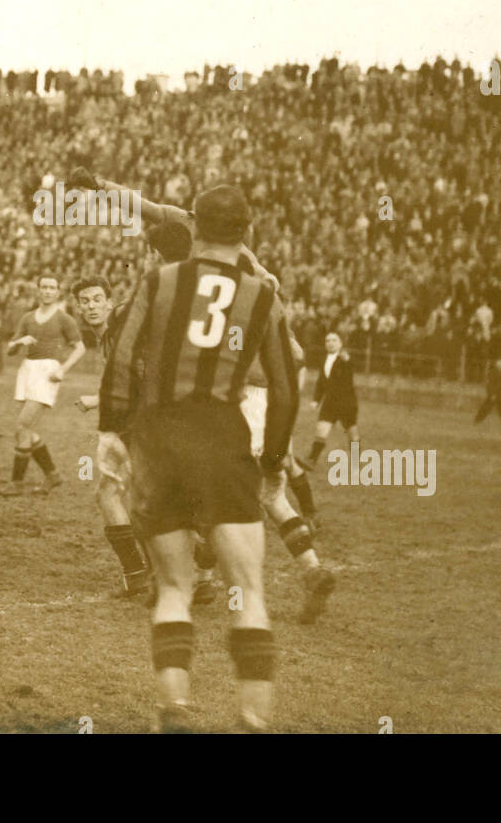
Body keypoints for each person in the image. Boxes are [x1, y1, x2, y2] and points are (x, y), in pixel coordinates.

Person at [100, 185, 299, 732]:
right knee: (249, 589)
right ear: (247, 231)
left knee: (172, 588)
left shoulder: (160, 280)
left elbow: (120, 359)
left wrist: (114, 433)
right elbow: (286, 389)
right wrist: (274, 462)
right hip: (221, 438)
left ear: (196, 229)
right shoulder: (263, 294)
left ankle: (175, 711)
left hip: (159, 438)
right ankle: (253, 719)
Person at [72, 274, 149, 597]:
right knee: (125, 497)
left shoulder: (120, 332)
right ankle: (143, 575)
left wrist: (95, 400)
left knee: (117, 496)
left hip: (141, 424)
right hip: (136, 424)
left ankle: (144, 575)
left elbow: (140, 381)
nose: (91, 306)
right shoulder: (106, 337)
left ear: (109, 302)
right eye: (85, 301)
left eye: (97, 300)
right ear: (78, 306)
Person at [3, 273, 85, 494]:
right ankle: (53, 475)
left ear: (58, 292)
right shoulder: (28, 318)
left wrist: (62, 369)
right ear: (38, 290)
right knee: (27, 429)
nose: (48, 291)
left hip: (48, 372)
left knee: (22, 425)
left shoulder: (63, 319)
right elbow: (10, 349)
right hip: (27, 370)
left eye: (52, 287)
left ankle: (16, 483)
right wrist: (20, 341)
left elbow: (80, 348)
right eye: (44, 287)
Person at [303, 332, 360, 468]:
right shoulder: (324, 359)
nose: (330, 343)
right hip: (329, 403)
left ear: (340, 344)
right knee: (321, 430)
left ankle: (356, 460)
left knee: (352, 433)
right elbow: (321, 382)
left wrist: (347, 361)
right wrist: (316, 400)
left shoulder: (345, 359)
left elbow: (351, 367)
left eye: (334, 340)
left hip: (346, 404)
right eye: (327, 340)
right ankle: (311, 460)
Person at [474, 321, 501, 428]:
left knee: (497, 403)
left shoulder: (496, 339)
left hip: (497, 385)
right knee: (496, 403)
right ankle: (479, 419)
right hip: (495, 385)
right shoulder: (499, 339)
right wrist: (492, 393)